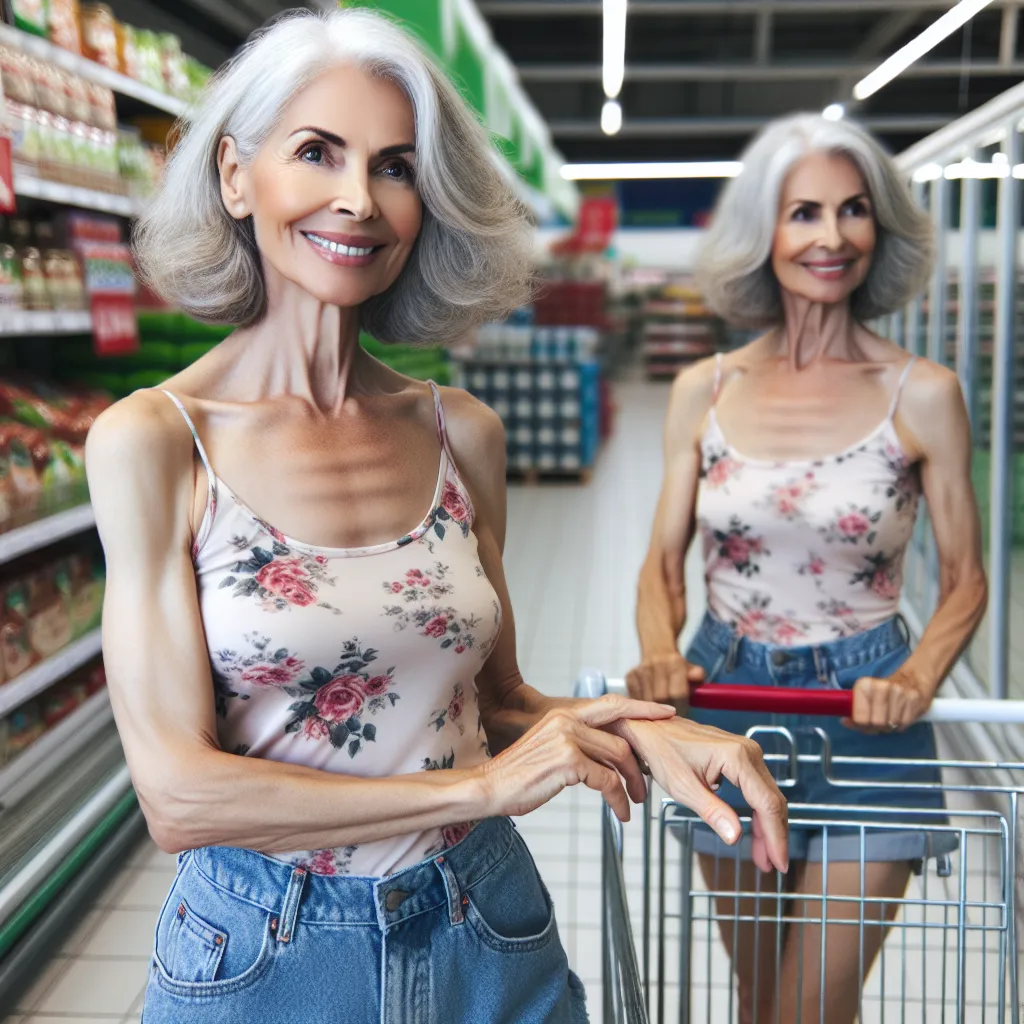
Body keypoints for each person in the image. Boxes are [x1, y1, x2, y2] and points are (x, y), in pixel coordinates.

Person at [85, 9, 789, 1023]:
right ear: (237, 177)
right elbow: (180, 796)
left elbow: (495, 703)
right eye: (316, 152)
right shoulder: (157, 442)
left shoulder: (462, 432)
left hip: (484, 930)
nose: (355, 199)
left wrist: (652, 730)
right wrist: (481, 790)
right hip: (269, 954)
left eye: (396, 167)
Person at [629, 113, 986, 1024]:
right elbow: (664, 565)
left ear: (881, 227)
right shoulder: (703, 391)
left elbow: (966, 580)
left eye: (853, 211)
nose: (831, 237)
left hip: (867, 708)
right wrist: (660, 655)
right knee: (760, 1002)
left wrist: (916, 677)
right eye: (803, 214)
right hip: (727, 703)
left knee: (808, 1010)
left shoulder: (925, 394)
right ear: (764, 233)